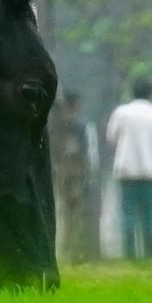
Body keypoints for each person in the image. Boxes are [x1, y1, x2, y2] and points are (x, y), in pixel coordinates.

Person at [104, 77, 152, 261]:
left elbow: (111, 137)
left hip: (127, 171)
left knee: (128, 217)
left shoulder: (121, 113)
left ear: (132, 92)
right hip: (151, 172)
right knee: (150, 217)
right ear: (151, 93)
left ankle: (130, 255)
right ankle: (150, 255)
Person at [50, 90, 93, 263]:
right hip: (66, 174)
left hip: (72, 174)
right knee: (67, 213)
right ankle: (65, 250)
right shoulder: (62, 127)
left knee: (72, 214)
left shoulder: (76, 127)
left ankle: (70, 250)